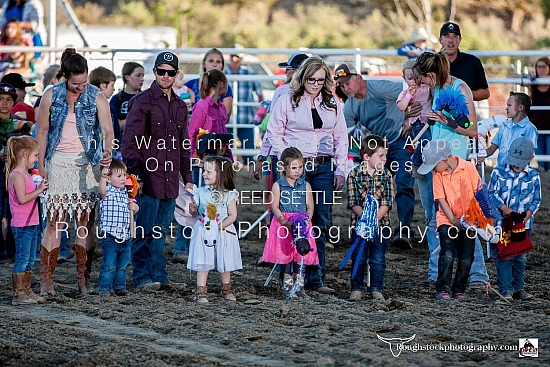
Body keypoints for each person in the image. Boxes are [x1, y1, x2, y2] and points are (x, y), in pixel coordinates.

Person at [260, 56, 349, 294]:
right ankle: (288, 276)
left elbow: (341, 136)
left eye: (321, 80)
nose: (316, 84)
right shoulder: (287, 99)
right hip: (295, 168)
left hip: (322, 166)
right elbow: (273, 132)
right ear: (303, 77)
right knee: (290, 219)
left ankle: (316, 278)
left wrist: (341, 168)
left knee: (319, 220)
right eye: (311, 79)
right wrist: (287, 160)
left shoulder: (333, 102)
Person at [36, 48, 114, 297]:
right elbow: (42, 131)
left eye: (83, 82)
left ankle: (83, 278)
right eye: (75, 83)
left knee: (85, 223)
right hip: (58, 160)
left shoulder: (97, 96)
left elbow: (108, 130)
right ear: (66, 76)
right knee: (55, 222)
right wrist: (40, 163)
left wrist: (107, 151)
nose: (80, 87)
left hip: (87, 162)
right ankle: (46, 279)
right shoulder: (51, 95)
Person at [121, 51, 193, 291]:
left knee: (160, 230)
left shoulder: (181, 106)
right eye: (161, 71)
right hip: (146, 176)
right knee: (144, 229)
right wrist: (135, 177)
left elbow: (184, 143)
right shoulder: (141, 102)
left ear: (176, 74)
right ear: (155, 72)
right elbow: (130, 143)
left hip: (170, 177)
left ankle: (159, 276)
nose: (165, 76)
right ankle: (142, 277)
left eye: (170, 72)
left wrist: (188, 177)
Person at [412, 51, 483, 288]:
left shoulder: (461, 88)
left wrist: (447, 121)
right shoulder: (440, 88)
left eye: (423, 79)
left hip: (454, 162)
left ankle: (477, 275)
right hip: (436, 158)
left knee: (465, 217)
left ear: (431, 75)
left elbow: (472, 129)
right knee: (435, 217)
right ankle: (437, 274)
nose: (423, 84)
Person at [337, 63, 415, 248]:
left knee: (404, 182)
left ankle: (404, 229)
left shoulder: (380, 87)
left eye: (347, 83)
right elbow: (348, 136)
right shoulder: (349, 107)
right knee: (372, 187)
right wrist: (364, 152)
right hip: (376, 148)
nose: (345, 88)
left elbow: (411, 90)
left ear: (358, 78)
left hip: (399, 139)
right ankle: (371, 227)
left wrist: (410, 119)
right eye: (341, 85)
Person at [173, 68, 230, 264]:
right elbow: (191, 134)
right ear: (220, 84)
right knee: (195, 203)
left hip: (218, 161)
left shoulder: (220, 107)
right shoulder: (202, 107)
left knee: (214, 202)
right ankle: (181, 245)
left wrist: (228, 159)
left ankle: (209, 240)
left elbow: (223, 134)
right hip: (202, 162)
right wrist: (193, 157)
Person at [417, 139, 480, 301]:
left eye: (433, 165)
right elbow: (441, 199)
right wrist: (453, 219)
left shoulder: (469, 168)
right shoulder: (438, 174)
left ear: (444, 159)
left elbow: (479, 192)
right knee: (447, 254)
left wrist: (478, 217)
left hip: (469, 220)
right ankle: (443, 288)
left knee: (467, 257)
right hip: (446, 219)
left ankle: (459, 288)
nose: (432, 170)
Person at [488, 137, 541, 301]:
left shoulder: (534, 176)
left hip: (523, 224)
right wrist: (503, 208)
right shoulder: (498, 171)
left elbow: (536, 200)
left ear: (530, 159)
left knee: (521, 257)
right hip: (503, 223)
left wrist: (528, 215)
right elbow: (491, 193)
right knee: (505, 255)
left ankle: (518, 288)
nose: (516, 165)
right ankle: (505, 289)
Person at [262, 147, 317, 298]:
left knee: (301, 255)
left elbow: (310, 205)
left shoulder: (305, 185)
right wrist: (284, 221)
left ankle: (300, 287)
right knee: (286, 256)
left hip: (301, 225)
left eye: (300, 167)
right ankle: (287, 287)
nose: (298, 171)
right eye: (294, 167)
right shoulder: (278, 185)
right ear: (284, 167)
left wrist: (306, 221)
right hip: (284, 225)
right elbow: (274, 205)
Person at [187, 156, 242, 303]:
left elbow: (232, 215)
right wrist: (193, 210)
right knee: (203, 259)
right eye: (204, 170)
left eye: (209, 171)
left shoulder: (229, 194)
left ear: (220, 174)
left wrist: (218, 227)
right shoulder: (200, 192)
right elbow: (196, 213)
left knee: (225, 260)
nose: (204, 174)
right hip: (204, 231)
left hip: (223, 232)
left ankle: (226, 289)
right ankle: (201, 291)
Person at [346, 135, 394, 301]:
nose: (385, 159)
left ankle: (376, 288)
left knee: (378, 258)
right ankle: (357, 288)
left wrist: (374, 220)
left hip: (381, 225)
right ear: (367, 157)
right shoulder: (353, 175)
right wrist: (366, 219)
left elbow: (387, 201)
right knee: (358, 257)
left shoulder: (387, 175)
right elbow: (353, 202)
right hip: (359, 224)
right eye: (381, 156)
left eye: (385, 155)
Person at [6, 135, 48, 305]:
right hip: (22, 225)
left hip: (32, 223)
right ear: (25, 154)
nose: (36, 159)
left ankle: (27, 290)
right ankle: (18, 293)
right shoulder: (17, 175)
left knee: (30, 258)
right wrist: (39, 190)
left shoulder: (27, 174)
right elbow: (23, 199)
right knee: (22, 258)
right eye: (35, 156)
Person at [0, 82, 33, 263]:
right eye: (1, 99)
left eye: (8, 99)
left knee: (13, 212)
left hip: (13, 176)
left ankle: (12, 251)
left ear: (14, 102)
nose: (4, 103)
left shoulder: (20, 124)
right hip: (1, 174)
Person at [97, 158, 139, 297]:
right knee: (109, 264)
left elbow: (132, 207)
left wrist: (135, 207)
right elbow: (101, 191)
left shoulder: (126, 193)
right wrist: (103, 176)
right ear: (108, 178)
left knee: (122, 265)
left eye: (124, 176)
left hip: (125, 235)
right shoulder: (107, 191)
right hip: (110, 234)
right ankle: (105, 287)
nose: (123, 179)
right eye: (119, 176)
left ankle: (120, 286)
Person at [225, 45, 264, 163]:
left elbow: (260, 94)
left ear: (242, 58)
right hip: (228, 119)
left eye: (238, 57)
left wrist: (260, 113)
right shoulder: (223, 73)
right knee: (226, 153)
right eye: (233, 56)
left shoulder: (249, 73)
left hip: (246, 119)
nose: (235, 59)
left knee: (248, 155)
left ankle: (249, 176)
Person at [396, 59, 432, 177]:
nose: (413, 81)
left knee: (429, 142)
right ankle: (415, 162)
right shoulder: (406, 92)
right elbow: (401, 106)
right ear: (404, 78)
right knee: (424, 141)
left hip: (430, 121)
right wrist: (409, 96)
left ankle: (422, 161)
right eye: (409, 78)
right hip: (417, 122)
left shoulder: (426, 87)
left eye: (416, 78)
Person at [480, 92, 538, 165]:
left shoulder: (530, 129)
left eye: (509, 105)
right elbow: (491, 149)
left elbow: (529, 154)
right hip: (501, 170)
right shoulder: (504, 126)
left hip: (518, 173)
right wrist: (482, 154)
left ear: (520, 107)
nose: (506, 108)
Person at [439, 22, 490, 102]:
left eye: (455, 36)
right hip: (435, 112)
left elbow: (485, 93)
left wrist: (464, 94)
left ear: (460, 40)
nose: (451, 40)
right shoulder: (432, 63)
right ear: (440, 40)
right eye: (446, 36)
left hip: (465, 111)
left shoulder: (473, 62)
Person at [109, 62, 144, 158]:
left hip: (143, 146)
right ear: (127, 77)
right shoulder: (116, 99)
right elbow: (115, 126)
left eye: (143, 76)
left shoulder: (146, 98)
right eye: (138, 75)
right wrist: (134, 119)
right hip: (122, 146)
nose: (142, 79)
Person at [185, 48, 233, 118]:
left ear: (222, 66)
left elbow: (225, 117)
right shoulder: (189, 85)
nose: (214, 64)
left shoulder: (226, 88)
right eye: (211, 61)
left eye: (218, 62)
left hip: (215, 128)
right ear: (204, 64)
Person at [525, 57, 550, 171]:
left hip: (549, 127)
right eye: (538, 67)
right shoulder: (533, 84)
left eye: (543, 66)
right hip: (537, 126)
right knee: (541, 163)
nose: (541, 69)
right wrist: (526, 77)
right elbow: (511, 76)